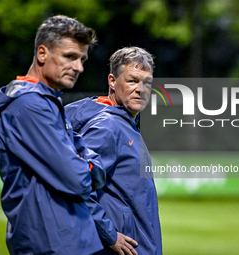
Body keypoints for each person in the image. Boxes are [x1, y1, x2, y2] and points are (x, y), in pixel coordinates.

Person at [0, 15, 106, 255]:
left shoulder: (47, 102)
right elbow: (78, 180)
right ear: (42, 54)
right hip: (52, 243)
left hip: (65, 239)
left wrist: (85, 165)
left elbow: (88, 166)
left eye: (82, 59)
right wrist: (86, 165)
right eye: (70, 56)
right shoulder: (29, 106)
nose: (79, 67)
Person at [65, 47, 163, 255]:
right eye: (132, 81)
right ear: (112, 81)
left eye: (147, 82)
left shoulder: (126, 122)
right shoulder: (107, 127)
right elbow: (76, 184)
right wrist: (109, 234)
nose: (140, 89)